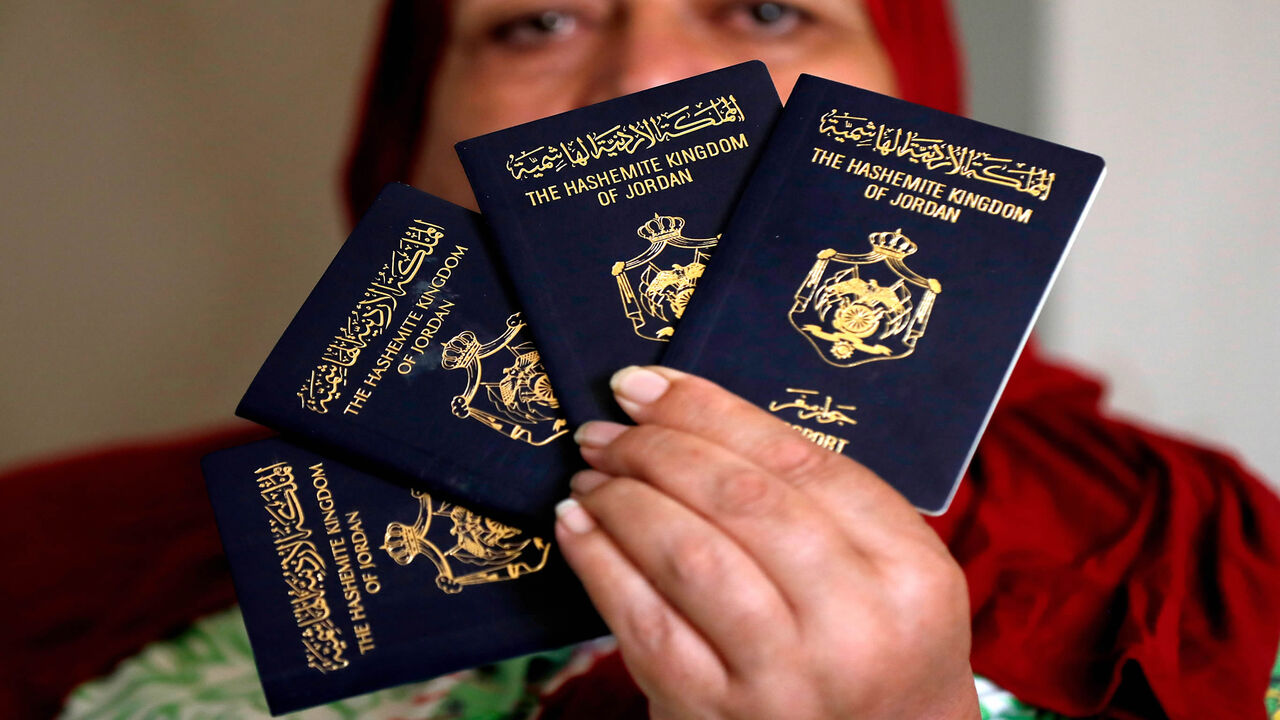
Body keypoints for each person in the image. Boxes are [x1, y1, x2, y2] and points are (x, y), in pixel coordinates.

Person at [3, 2, 1279, 719]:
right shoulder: (51, 560)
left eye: (768, 7)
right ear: (406, 129)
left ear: (919, 108)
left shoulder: (1195, 560)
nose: (649, 82)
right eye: (535, 22)